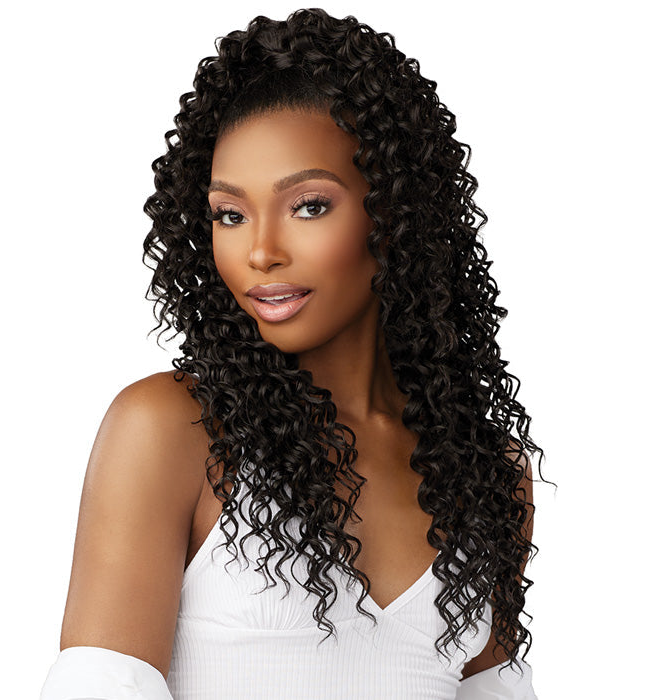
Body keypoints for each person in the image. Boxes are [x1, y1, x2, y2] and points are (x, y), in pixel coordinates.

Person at [40, 8, 549, 699]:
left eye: (308, 206)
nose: (260, 251)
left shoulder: (486, 473)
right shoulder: (174, 429)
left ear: (397, 212)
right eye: (230, 214)